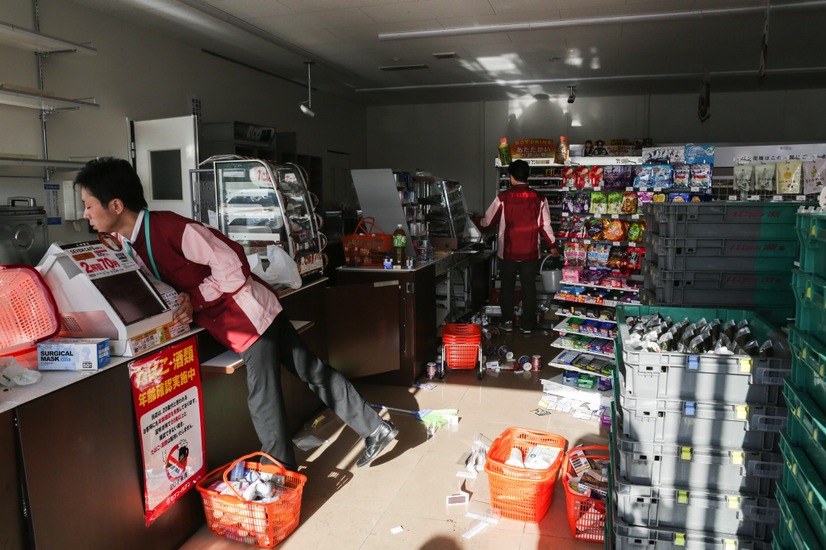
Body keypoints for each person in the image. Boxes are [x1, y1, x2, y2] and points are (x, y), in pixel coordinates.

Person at [75, 157, 397, 469]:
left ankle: (279, 473)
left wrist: (195, 298)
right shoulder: (126, 241)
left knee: (263, 397)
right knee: (311, 371)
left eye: (89, 205)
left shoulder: (172, 228)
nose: (86, 214)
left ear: (116, 205)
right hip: (243, 315)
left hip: (248, 316)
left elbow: (233, 265)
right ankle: (375, 429)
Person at [481, 159, 556, 334]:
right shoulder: (540, 198)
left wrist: (480, 226)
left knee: (506, 287)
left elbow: (488, 220)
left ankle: (507, 322)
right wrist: (552, 245)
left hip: (508, 252)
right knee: (529, 287)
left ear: (511, 178)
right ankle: (527, 326)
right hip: (530, 252)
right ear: (528, 176)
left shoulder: (503, 197)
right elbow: (545, 225)